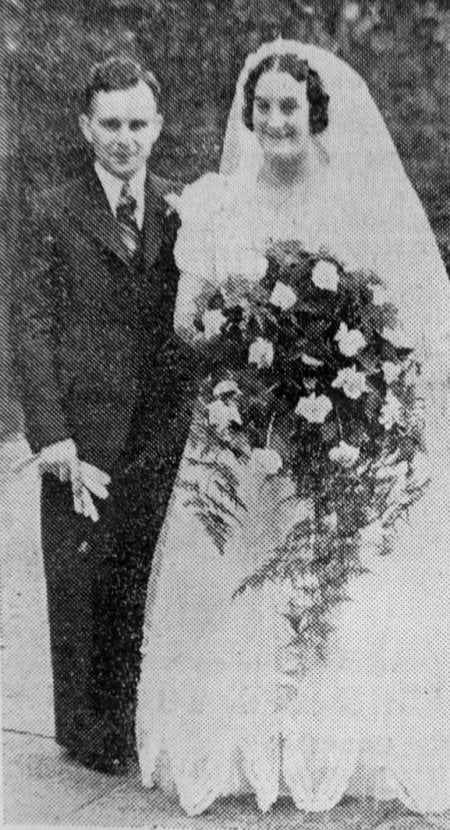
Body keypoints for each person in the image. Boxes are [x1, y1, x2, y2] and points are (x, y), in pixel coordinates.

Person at [135, 40, 450, 817]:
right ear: (249, 116)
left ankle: (324, 747)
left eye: (290, 107)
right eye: (264, 107)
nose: (276, 121)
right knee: (237, 573)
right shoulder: (217, 203)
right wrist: (239, 342)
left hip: (329, 433)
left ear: (315, 115)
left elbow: (399, 320)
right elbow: (185, 319)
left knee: (324, 577)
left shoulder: (355, 202)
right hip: (242, 430)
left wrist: (343, 378)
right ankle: (240, 747)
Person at [12, 57, 193, 773]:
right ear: (86, 126)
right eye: (110, 123)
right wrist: (51, 433)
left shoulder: (180, 208)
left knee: (142, 573)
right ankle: (88, 733)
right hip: (83, 430)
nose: (124, 138)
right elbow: (31, 326)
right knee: (81, 577)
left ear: (158, 126)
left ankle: (135, 721)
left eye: (137, 123)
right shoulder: (52, 209)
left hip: (161, 425)